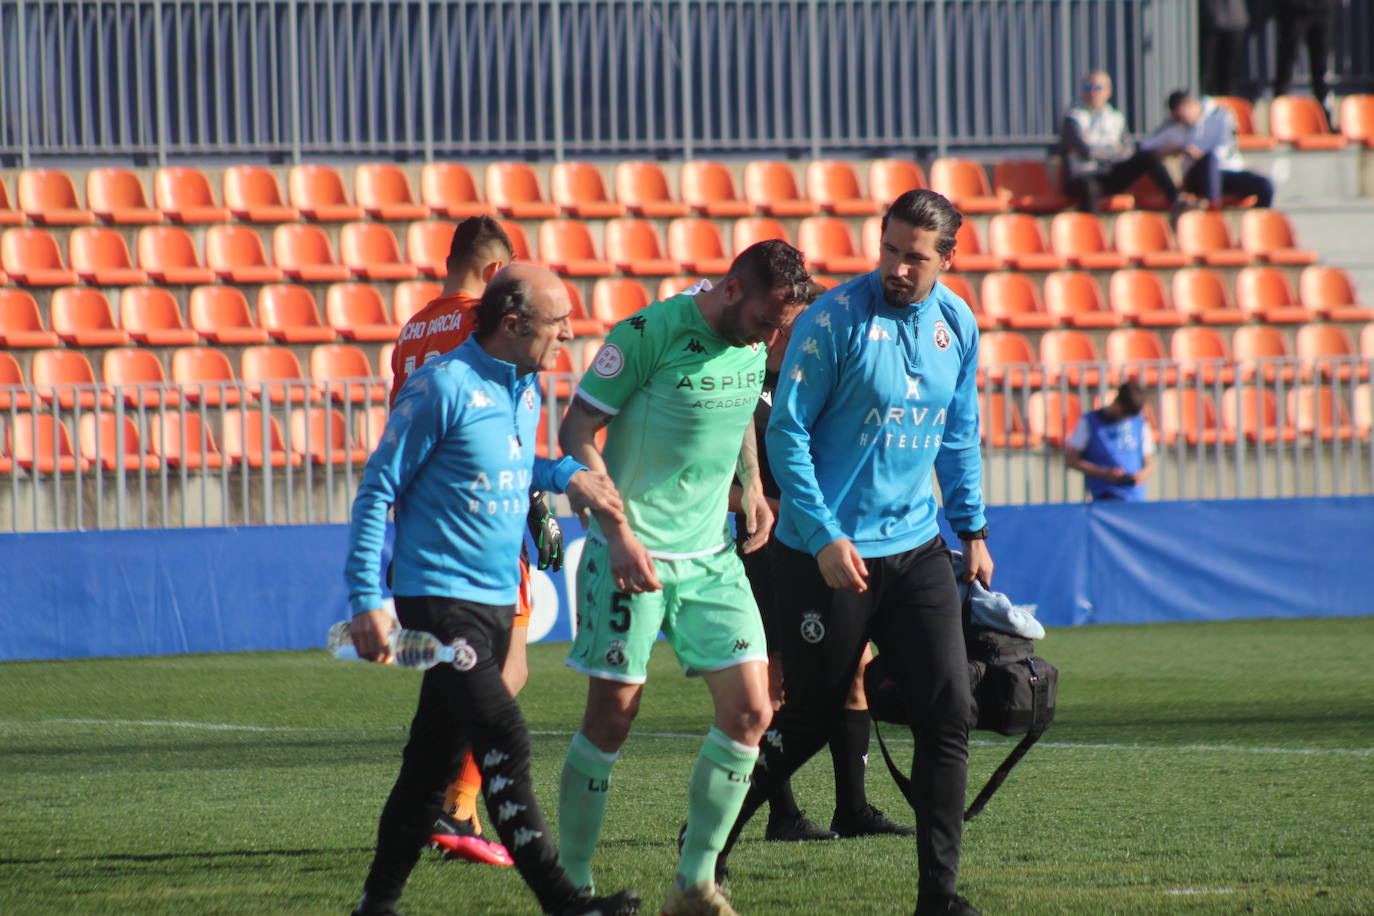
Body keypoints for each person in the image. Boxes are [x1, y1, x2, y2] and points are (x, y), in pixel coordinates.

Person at [714, 189, 994, 916]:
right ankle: (706, 846)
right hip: (821, 550)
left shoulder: (957, 324)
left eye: (917, 256)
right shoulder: (832, 321)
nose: (899, 267)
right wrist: (827, 533)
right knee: (806, 716)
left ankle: (939, 895)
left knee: (950, 709)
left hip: (917, 546)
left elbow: (960, 430)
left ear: (947, 259)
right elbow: (787, 436)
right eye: (891, 249)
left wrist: (974, 530)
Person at [344, 263, 640, 916]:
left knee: (429, 764)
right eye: (556, 321)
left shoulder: (524, 389)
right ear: (513, 325)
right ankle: (566, 903)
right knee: (502, 729)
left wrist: (564, 473)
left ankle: (376, 904)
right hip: (439, 599)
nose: (570, 332)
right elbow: (377, 491)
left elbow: (508, 460)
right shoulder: (441, 386)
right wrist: (366, 598)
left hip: (496, 599)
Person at [555, 240, 818, 916]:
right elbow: (576, 430)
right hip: (630, 553)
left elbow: (738, 420)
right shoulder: (650, 332)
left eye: (780, 327)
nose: (772, 337)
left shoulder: (755, 335)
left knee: (754, 711)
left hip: (709, 560)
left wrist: (753, 484)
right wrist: (616, 533)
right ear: (732, 290)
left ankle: (694, 885)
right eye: (766, 322)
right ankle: (573, 887)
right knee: (613, 717)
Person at [388, 214, 563, 866]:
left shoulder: (413, 331)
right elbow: (508, 432)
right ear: (497, 276)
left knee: (451, 686)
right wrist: (538, 509)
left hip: (434, 522)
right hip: (487, 520)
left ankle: (433, 816)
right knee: (506, 669)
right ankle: (458, 805)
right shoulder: (485, 323)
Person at [741, 319, 916, 845]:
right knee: (773, 680)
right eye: (796, 325)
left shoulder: (819, 379)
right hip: (769, 547)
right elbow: (721, 481)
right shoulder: (743, 385)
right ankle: (782, 814)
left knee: (857, 667)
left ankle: (853, 808)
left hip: (828, 542)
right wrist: (774, 508)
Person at [1059, 70, 1187, 215]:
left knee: (1148, 156)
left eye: (1098, 88)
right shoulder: (1073, 118)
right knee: (1089, 188)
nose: (1093, 93)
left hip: (1110, 173)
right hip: (1082, 176)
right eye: (1089, 88)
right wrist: (1113, 151)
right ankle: (1093, 231)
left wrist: (1101, 151)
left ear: (1108, 91)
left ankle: (1177, 199)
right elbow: (1085, 152)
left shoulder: (1116, 117)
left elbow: (1128, 150)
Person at [1140, 90, 1274, 209]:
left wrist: (1200, 155)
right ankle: (1213, 211)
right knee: (1209, 160)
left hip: (1226, 172)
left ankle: (1256, 223)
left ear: (1191, 106)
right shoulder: (1175, 127)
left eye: (1182, 116)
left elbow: (1226, 147)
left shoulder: (1221, 115)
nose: (1181, 122)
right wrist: (1172, 151)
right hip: (1196, 177)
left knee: (1265, 186)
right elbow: (1146, 146)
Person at [1065, 381, 1156, 502]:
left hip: (1136, 498)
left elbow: (1148, 462)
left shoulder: (1139, 422)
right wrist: (1105, 474)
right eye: (1125, 414)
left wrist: (1141, 475)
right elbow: (1071, 460)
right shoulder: (1090, 422)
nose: (1126, 418)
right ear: (1118, 403)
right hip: (1106, 497)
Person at [1272, 0, 1339, 127]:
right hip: (1293, 10)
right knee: (1286, 66)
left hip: (1322, 9)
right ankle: (1280, 120)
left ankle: (1325, 121)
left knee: (1321, 69)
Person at [1198, 0, 1250, 98]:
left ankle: (1227, 105)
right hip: (1208, 18)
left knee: (1229, 78)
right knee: (1205, 75)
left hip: (1235, 18)